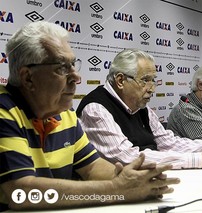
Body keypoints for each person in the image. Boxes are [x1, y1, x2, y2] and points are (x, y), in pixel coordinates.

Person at [0, 21, 180, 211]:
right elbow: (21, 193)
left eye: (73, 64)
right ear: (28, 77)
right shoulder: (4, 111)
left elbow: (92, 167)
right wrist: (116, 189)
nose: (76, 77)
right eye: (62, 67)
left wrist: (134, 179)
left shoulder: (64, 114)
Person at [76, 48, 202, 170]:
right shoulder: (96, 109)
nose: (152, 89)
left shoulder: (141, 107)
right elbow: (128, 158)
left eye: (153, 80)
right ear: (120, 81)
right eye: (145, 80)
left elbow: (167, 142)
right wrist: (199, 160)